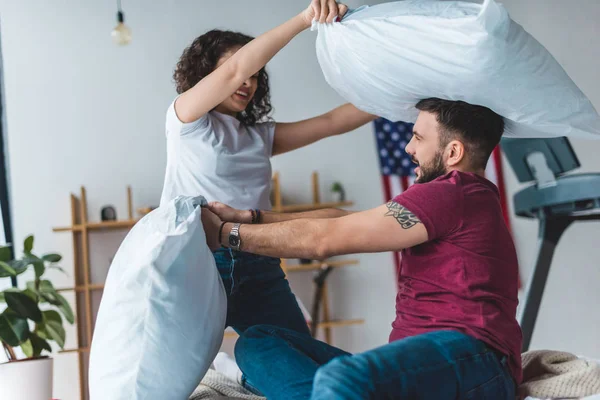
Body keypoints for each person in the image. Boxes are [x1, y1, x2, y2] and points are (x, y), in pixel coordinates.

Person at [202, 98, 523, 399]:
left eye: (419, 138)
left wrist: (226, 234)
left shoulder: (454, 193)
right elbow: (348, 219)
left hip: (475, 359)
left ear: (453, 153)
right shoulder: (461, 197)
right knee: (257, 343)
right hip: (438, 364)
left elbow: (325, 239)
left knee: (341, 380)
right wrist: (251, 217)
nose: (409, 147)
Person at [160, 0, 376, 338]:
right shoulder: (185, 120)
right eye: (240, 70)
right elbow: (233, 71)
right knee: (177, 371)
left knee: (295, 349)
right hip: (199, 261)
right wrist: (306, 18)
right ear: (207, 75)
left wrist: (402, 94)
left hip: (259, 255)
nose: (247, 81)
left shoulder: (259, 136)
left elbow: (333, 121)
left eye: (256, 75)